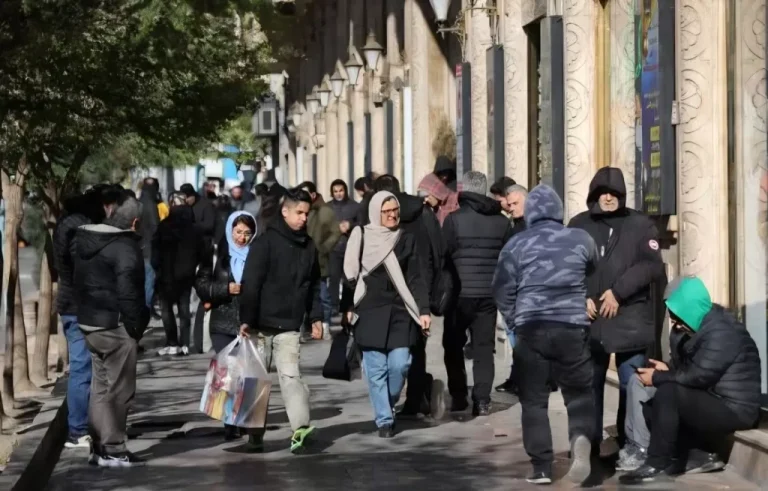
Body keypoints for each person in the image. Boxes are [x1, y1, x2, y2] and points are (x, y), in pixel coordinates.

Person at [492, 184, 598, 485]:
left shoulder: (516, 244)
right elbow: (592, 269)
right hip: (572, 328)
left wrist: (515, 320)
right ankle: (580, 444)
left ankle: (541, 467)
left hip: (532, 328)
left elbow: (501, 289)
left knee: (534, 400)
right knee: (578, 395)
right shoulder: (581, 238)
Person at [619, 276, 762, 484]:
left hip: (736, 409)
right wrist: (667, 369)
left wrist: (659, 377)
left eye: (678, 317)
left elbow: (699, 375)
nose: (675, 324)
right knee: (653, 407)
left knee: (669, 394)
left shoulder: (722, 331)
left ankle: (656, 464)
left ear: (690, 309)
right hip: (713, 397)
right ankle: (699, 457)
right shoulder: (699, 326)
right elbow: (691, 370)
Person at [568, 167, 666, 449]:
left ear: (621, 195)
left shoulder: (640, 224)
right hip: (591, 320)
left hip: (630, 318)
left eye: (613, 193)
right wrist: (581, 294)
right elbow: (567, 265)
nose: (608, 198)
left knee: (630, 384)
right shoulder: (578, 225)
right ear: (594, 195)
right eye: (602, 193)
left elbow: (652, 265)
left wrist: (618, 292)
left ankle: (630, 443)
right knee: (590, 385)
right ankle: (589, 445)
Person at [238, 189, 323, 453]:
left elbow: (313, 285)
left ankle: (300, 429)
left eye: (306, 214)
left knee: (291, 377)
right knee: (256, 381)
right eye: (299, 213)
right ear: (285, 211)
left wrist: (316, 317)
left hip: (289, 325)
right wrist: (246, 320)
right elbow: (251, 284)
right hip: (260, 327)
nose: (303, 219)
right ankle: (254, 434)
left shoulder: (308, 246)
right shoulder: (264, 243)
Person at [343, 191, 431, 437]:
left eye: (395, 210)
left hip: (401, 311)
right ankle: (384, 419)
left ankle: (388, 402)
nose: (392, 215)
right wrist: (347, 309)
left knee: (401, 364)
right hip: (369, 310)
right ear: (375, 213)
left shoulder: (406, 238)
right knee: (376, 368)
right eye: (386, 211)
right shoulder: (361, 236)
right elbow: (349, 277)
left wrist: (423, 310)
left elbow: (416, 277)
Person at [74, 192, 149, 467]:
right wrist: (135, 328)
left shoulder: (86, 241)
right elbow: (130, 292)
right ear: (135, 221)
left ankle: (99, 447)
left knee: (101, 388)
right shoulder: (125, 247)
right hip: (114, 325)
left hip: (89, 323)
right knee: (120, 390)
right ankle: (115, 448)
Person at [372, 174, 446, 419]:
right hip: (420, 287)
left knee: (391, 346)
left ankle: (394, 397)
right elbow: (438, 249)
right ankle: (415, 397)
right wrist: (434, 284)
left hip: (390, 291)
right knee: (416, 344)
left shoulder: (378, 216)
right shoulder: (423, 212)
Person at [442, 171, 513, 416]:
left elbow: (444, 256)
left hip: (459, 295)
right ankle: (482, 400)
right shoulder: (503, 222)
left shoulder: (453, 220)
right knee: (484, 348)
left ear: (464, 189)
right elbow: (508, 259)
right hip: (487, 296)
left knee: (452, 345)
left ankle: (459, 396)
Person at [53, 189, 109, 449]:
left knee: (83, 368)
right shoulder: (78, 232)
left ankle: (81, 426)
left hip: (72, 305)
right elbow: (81, 268)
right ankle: (77, 431)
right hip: (79, 307)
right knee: (82, 369)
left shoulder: (67, 225)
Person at [194, 210, 257, 441]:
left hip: (248, 324)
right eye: (238, 232)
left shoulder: (257, 255)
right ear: (230, 230)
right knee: (227, 374)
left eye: (247, 233)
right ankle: (229, 422)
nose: (242, 238)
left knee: (245, 375)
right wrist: (225, 289)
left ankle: (243, 418)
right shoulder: (216, 254)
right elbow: (201, 285)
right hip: (222, 322)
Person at [153, 192, 207, 356]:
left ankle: (172, 341)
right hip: (186, 275)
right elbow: (202, 252)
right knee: (184, 308)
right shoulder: (194, 229)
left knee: (167, 309)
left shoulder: (163, 227)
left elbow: (155, 252)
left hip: (166, 275)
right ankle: (184, 343)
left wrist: (157, 268)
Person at [494, 183, 529, 394]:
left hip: (525, 291)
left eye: (516, 203)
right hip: (512, 290)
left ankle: (524, 379)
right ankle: (517, 377)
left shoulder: (530, 226)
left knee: (521, 339)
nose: (511, 207)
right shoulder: (513, 225)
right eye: (510, 204)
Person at [299, 181, 341, 340]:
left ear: (313, 195)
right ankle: (303, 328)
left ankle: (326, 325)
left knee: (324, 295)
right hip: (303, 259)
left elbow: (335, 232)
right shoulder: (302, 210)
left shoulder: (324, 211)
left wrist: (324, 247)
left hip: (321, 260)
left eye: (306, 193)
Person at [328, 179, 360, 316]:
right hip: (333, 248)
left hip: (350, 248)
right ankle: (334, 306)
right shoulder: (327, 208)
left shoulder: (355, 207)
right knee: (334, 278)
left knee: (349, 278)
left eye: (341, 190)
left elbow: (362, 223)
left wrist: (350, 226)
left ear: (345, 190)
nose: (338, 194)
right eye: (335, 191)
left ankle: (348, 306)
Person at [138, 178, 161, 309]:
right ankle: (146, 309)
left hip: (139, 247)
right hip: (149, 249)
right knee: (148, 280)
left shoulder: (139, 202)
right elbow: (154, 227)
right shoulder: (151, 204)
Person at [180, 183, 216, 248]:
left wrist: (192, 226)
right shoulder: (182, 205)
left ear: (193, 195)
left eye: (187, 198)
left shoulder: (206, 205)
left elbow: (209, 225)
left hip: (202, 243)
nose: (186, 200)